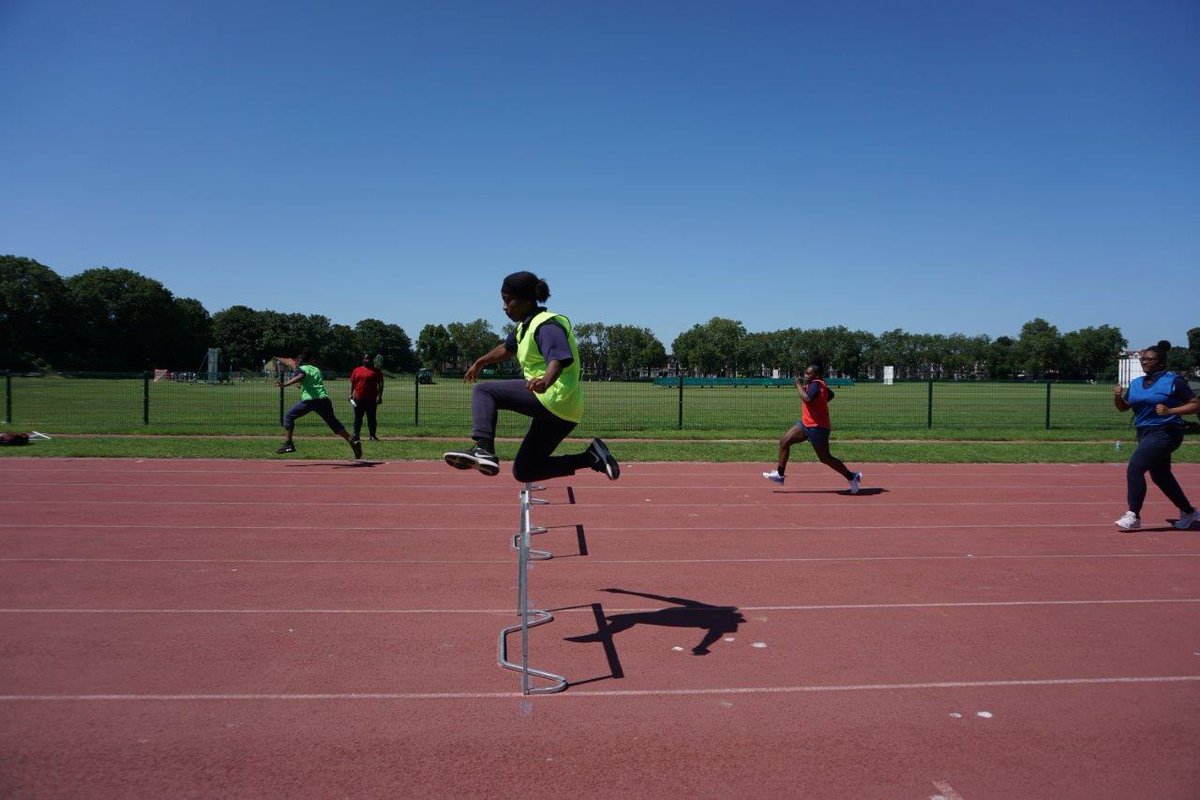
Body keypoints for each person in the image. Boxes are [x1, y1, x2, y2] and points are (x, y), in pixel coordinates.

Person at [443, 270, 619, 483]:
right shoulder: (523, 328)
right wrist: (481, 362)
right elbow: (507, 348)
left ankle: (484, 448)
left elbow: (559, 358)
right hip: (566, 411)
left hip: (552, 396)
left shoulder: (547, 325)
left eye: (508, 300)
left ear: (526, 300)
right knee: (525, 470)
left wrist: (546, 380)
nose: (504, 307)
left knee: (484, 391)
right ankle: (590, 457)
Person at [1112, 340, 1199, 531]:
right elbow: (1124, 408)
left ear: (1160, 362)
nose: (1144, 362)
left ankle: (1133, 515)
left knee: (1135, 468)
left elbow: (1195, 404)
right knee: (1160, 476)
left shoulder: (1173, 381)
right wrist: (1118, 397)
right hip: (1144, 432)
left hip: (1166, 431)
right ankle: (1189, 512)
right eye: (1143, 359)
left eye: (1149, 360)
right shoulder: (1136, 383)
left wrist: (1171, 411)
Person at [763, 364, 862, 493]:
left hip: (818, 427)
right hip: (805, 424)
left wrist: (798, 385)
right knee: (784, 441)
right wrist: (818, 403)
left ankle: (852, 476)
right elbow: (830, 395)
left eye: (808, 374)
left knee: (825, 458)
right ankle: (779, 475)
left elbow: (807, 398)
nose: (805, 376)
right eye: (805, 373)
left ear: (816, 375)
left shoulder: (815, 383)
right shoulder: (819, 384)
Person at [275, 350, 362, 459]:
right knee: (334, 423)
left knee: (288, 417)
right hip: (323, 400)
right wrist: (300, 384)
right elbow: (307, 382)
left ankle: (289, 444)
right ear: (311, 360)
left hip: (310, 401)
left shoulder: (301, 368)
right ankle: (352, 441)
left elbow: (301, 376)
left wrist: (285, 384)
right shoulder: (316, 369)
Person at [348, 352, 384, 443]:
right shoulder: (357, 370)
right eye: (365, 358)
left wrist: (379, 396)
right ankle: (356, 435)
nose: (367, 360)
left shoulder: (376, 371)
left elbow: (380, 385)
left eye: (368, 358)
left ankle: (372, 436)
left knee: (371, 418)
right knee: (358, 418)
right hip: (358, 398)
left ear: (372, 360)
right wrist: (350, 394)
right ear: (363, 360)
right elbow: (353, 383)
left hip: (371, 399)